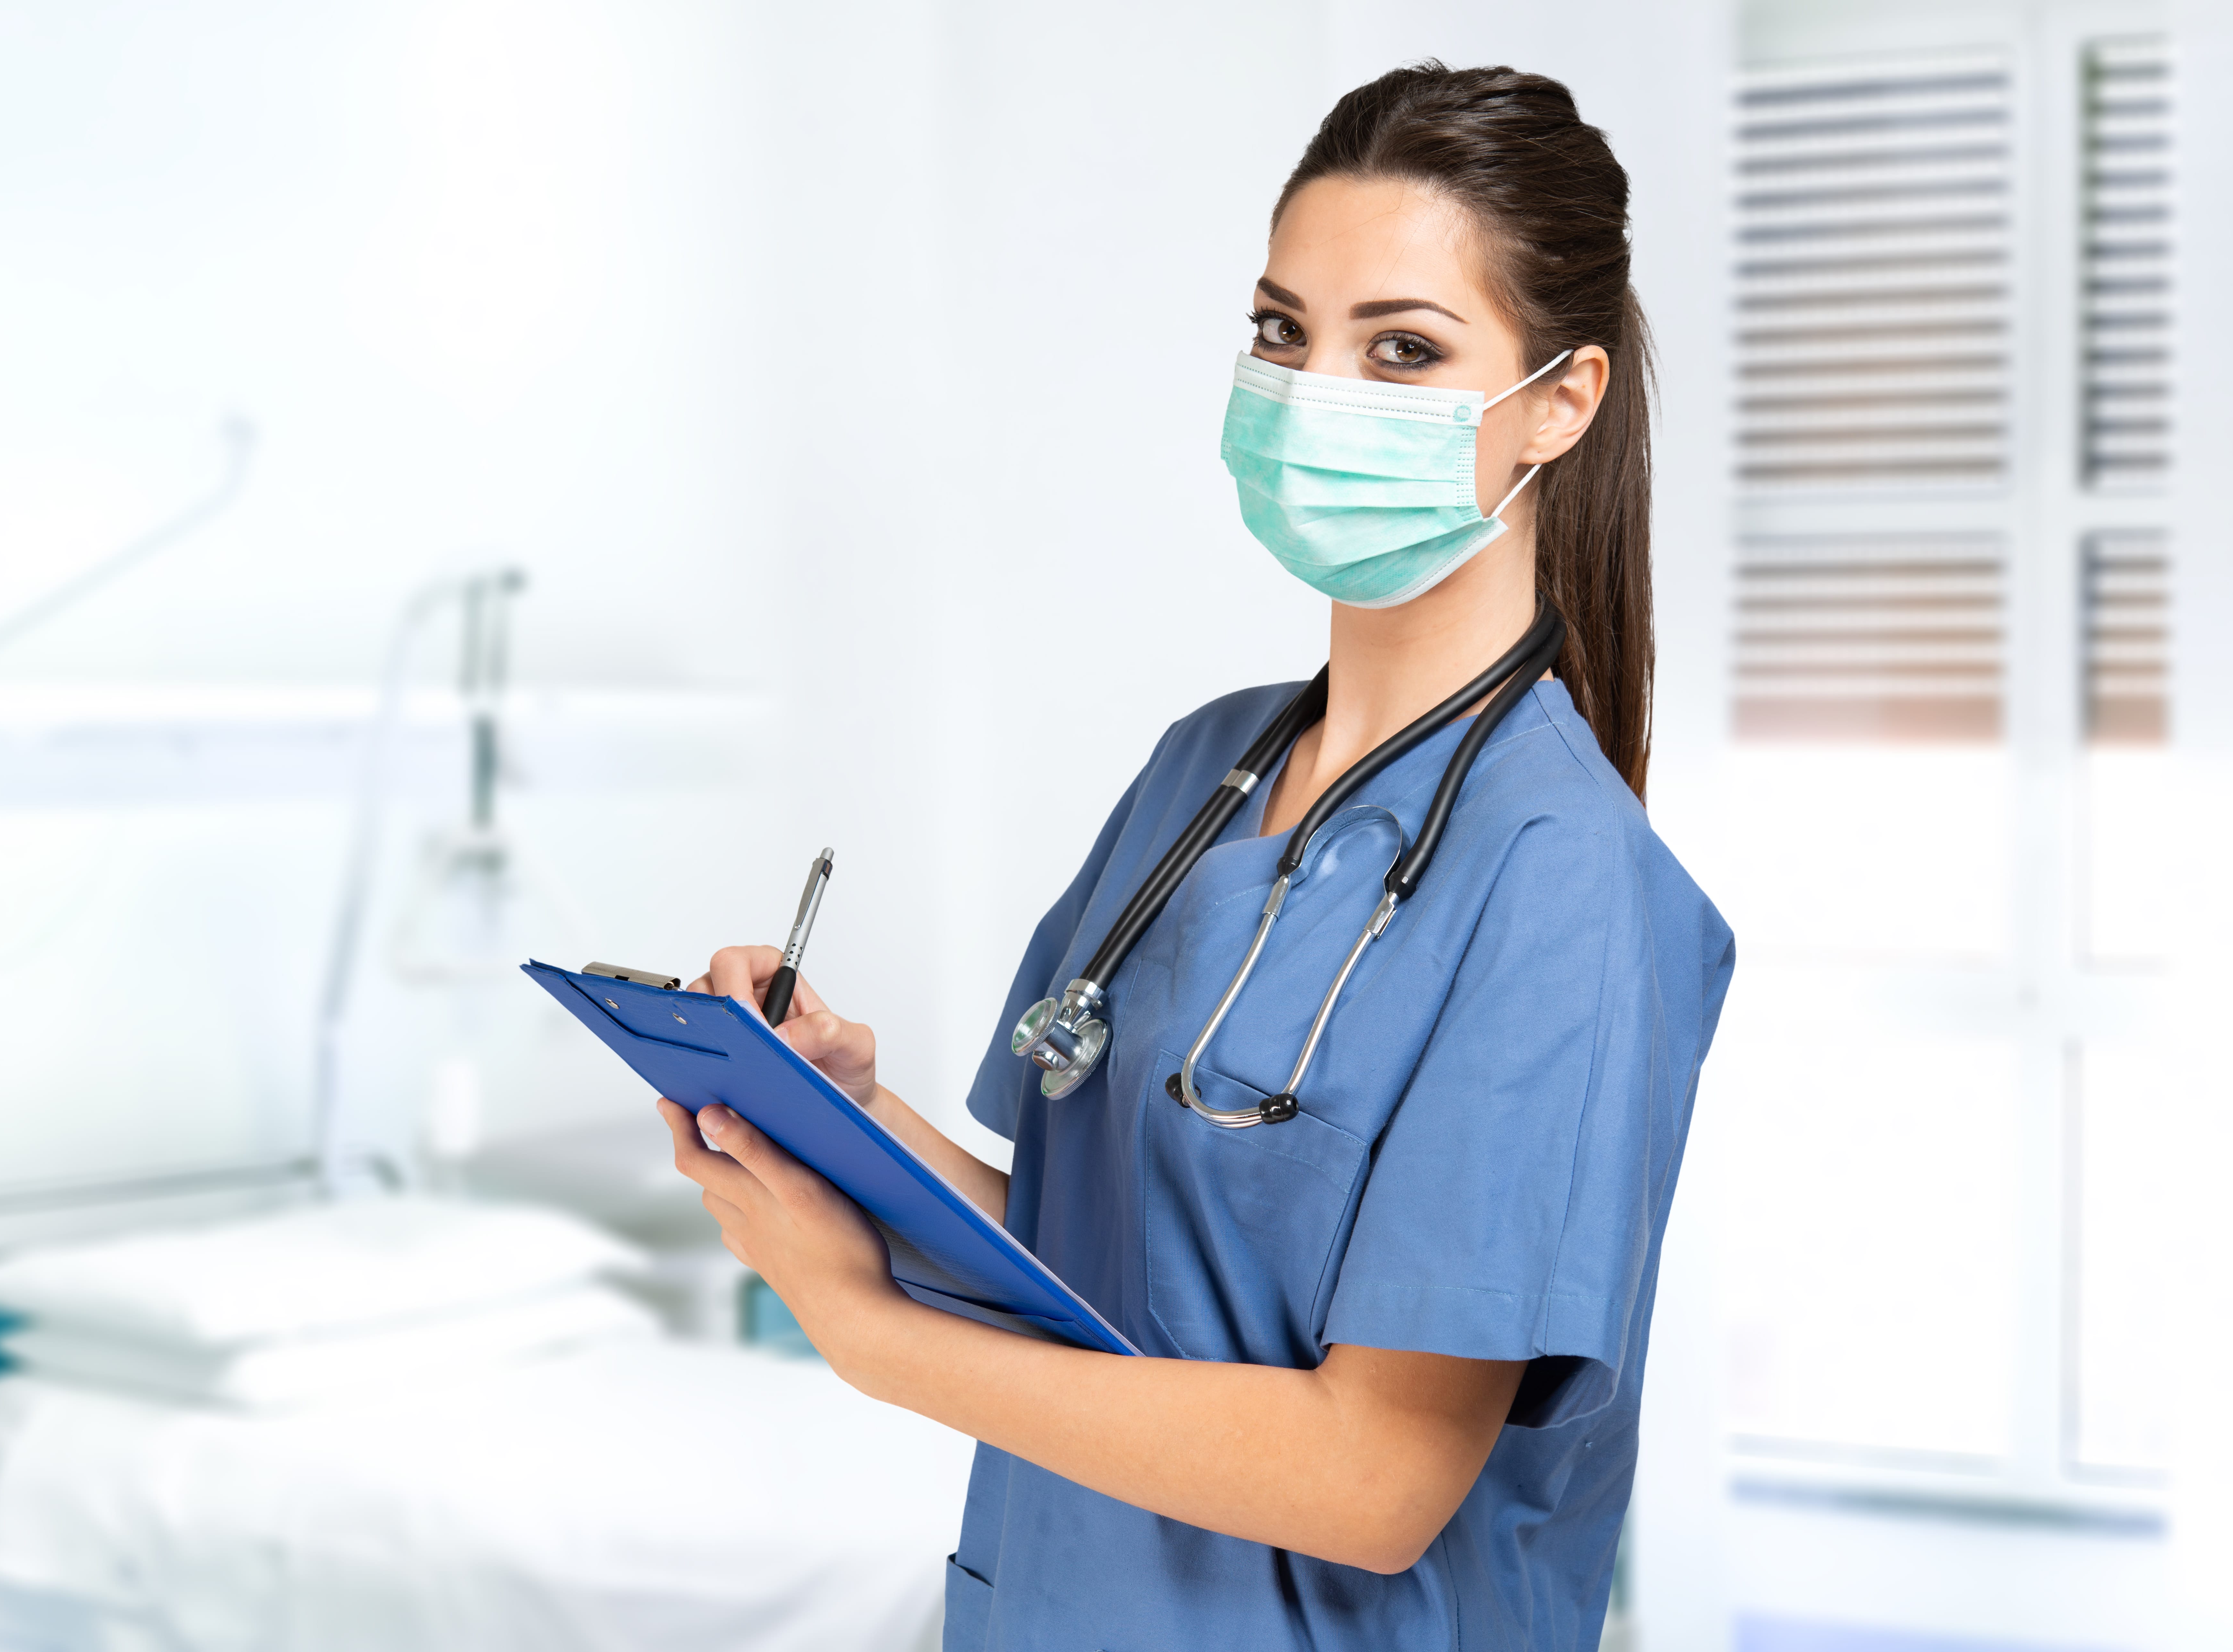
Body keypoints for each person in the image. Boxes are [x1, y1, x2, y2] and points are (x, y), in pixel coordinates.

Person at [658, 61, 1734, 1651]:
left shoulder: (1568, 880)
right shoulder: (1202, 771)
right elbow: (1092, 1265)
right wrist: (838, 1112)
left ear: (1560, 403)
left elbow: (1377, 1476)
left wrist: (867, 1335)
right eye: (1284, 333)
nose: (1314, 395)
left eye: (1403, 349)